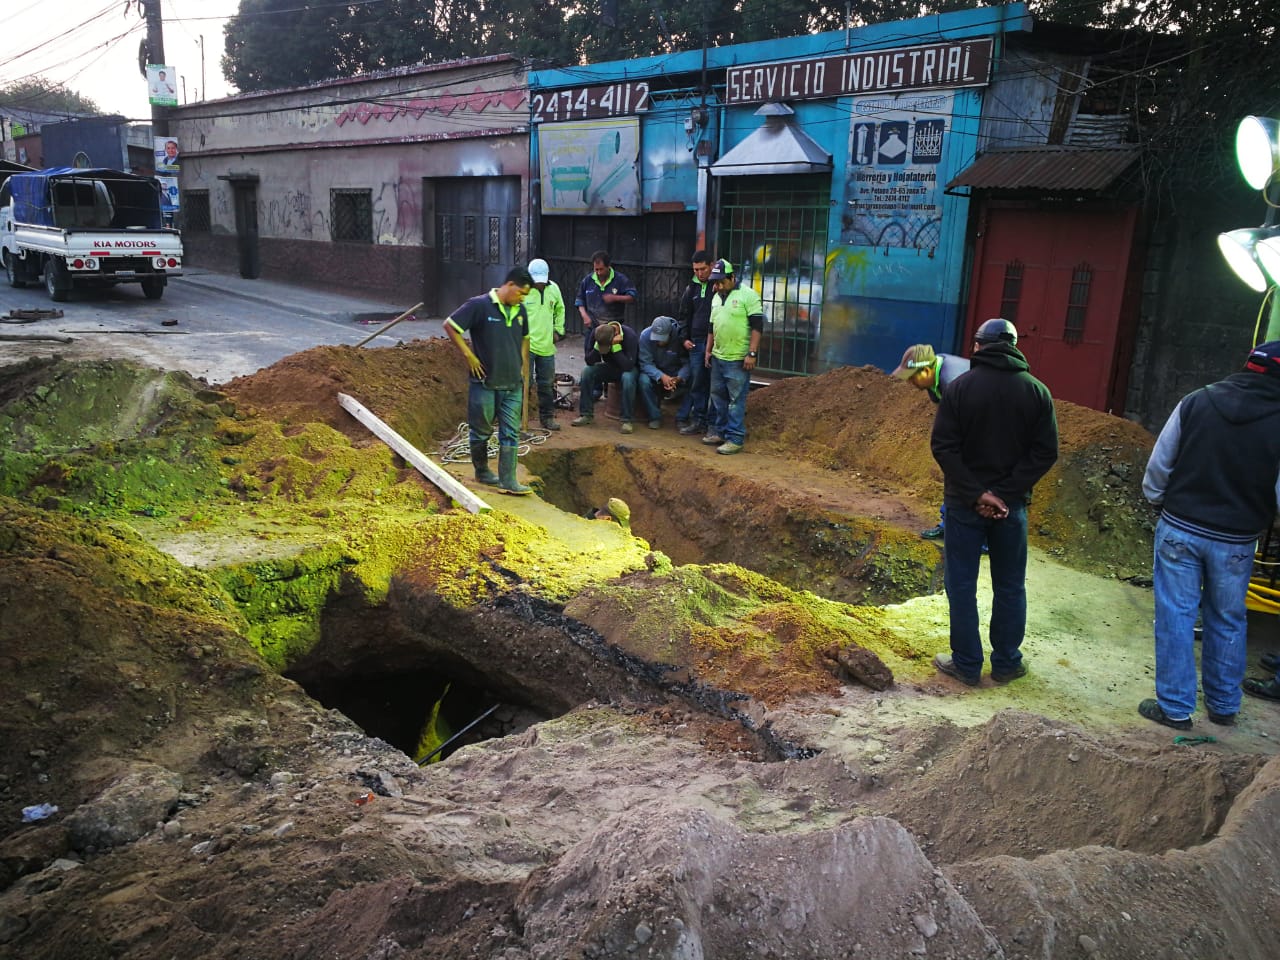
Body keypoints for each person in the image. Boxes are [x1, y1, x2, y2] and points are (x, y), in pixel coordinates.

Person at [1140, 341, 1280, 728]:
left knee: (1175, 615)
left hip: (1180, 527)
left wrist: (1159, 502)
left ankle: (1175, 708)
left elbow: (1159, 466)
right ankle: (1223, 706)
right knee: (1228, 619)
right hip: (1236, 539)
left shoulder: (1196, 401)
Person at [929, 318, 1059, 686]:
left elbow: (944, 447)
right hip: (1011, 508)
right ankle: (1006, 663)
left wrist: (977, 493)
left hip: (962, 505)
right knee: (1010, 585)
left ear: (978, 346)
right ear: (1016, 346)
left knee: (962, 584)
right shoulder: (1037, 392)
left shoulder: (958, 389)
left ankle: (967, 664)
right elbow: (1045, 452)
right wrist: (1004, 494)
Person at [444, 267, 534, 495]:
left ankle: (508, 480)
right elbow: (451, 326)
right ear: (510, 285)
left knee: (510, 432)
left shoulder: (520, 310)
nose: (523, 298)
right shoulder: (479, 305)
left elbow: (525, 339)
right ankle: (482, 471)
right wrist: (469, 355)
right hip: (485, 383)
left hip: (512, 384)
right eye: (521, 293)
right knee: (481, 431)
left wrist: (524, 370)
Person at [892, 343, 971, 539]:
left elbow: (971, 425)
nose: (910, 383)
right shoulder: (933, 376)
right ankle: (949, 524)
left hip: (991, 428)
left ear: (926, 370)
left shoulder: (952, 381)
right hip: (966, 424)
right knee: (954, 474)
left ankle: (984, 538)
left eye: (912, 377)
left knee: (975, 477)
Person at [703, 258, 763, 456]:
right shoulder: (715, 297)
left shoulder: (749, 296)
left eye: (721, 281)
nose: (718, 285)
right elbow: (712, 327)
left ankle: (735, 438)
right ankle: (719, 432)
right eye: (715, 282)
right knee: (718, 397)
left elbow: (757, 327)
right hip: (719, 356)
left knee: (736, 400)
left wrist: (751, 353)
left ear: (732, 277)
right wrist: (708, 350)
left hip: (738, 358)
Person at [571, 320, 641, 434]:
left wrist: (616, 346)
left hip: (628, 368)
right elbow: (589, 361)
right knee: (587, 372)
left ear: (615, 334)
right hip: (611, 367)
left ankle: (627, 420)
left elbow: (628, 366)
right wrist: (597, 347)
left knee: (627, 378)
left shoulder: (629, 336)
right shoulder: (597, 333)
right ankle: (586, 414)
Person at [676, 251, 715, 435]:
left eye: (703, 269)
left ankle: (714, 425)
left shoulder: (719, 286)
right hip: (696, 343)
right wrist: (684, 338)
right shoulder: (691, 288)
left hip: (718, 343)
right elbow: (684, 315)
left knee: (716, 384)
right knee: (698, 382)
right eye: (696, 270)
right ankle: (699, 421)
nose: (700, 273)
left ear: (712, 265)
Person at [524, 258, 565, 431]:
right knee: (524, 383)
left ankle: (547, 418)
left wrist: (558, 330)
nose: (539, 285)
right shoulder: (523, 291)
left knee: (546, 384)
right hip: (526, 346)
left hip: (547, 347)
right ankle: (519, 420)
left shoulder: (554, 289)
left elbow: (560, 309)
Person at [574, 250, 637, 359]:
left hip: (613, 328)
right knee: (590, 358)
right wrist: (584, 316)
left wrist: (615, 297)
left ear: (608, 267)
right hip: (593, 327)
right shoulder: (588, 281)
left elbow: (633, 297)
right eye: (596, 269)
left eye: (601, 269)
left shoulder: (620, 280)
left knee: (613, 359)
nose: (598, 272)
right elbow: (580, 300)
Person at [637, 315, 687, 429]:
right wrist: (660, 376)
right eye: (656, 338)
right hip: (655, 371)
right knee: (643, 380)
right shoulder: (645, 335)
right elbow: (645, 363)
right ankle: (654, 416)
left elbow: (688, 363)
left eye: (662, 338)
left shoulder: (680, 336)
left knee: (695, 379)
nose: (659, 341)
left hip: (675, 372)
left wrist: (679, 377)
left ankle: (682, 417)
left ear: (670, 334)